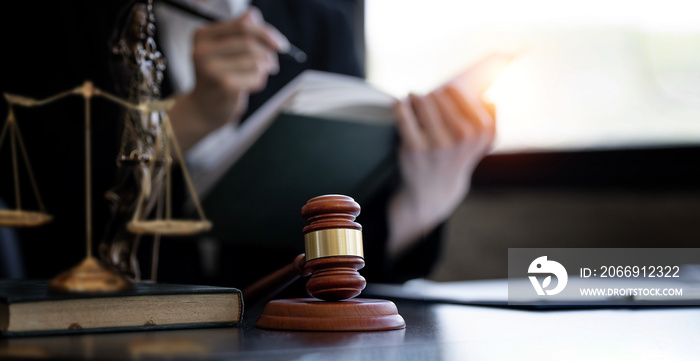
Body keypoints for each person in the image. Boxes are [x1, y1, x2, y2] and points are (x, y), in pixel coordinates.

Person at [0, 0, 495, 288]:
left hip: (285, 334)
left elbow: (328, 251)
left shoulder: (317, 21)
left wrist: (425, 201)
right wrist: (188, 117)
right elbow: (36, 191)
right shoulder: (56, 20)